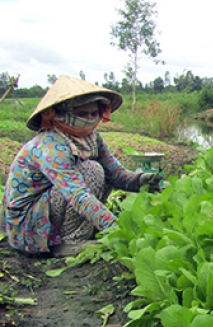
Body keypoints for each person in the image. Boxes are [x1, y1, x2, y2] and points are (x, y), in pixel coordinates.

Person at [0, 75, 162, 257]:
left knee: (101, 171)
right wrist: (117, 228)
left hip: (52, 206)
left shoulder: (91, 138)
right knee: (92, 170)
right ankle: (70, 241)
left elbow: (116, 174)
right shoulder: (50, 144)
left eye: (94, 114)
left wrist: (141, 180)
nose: (90, 119)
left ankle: (78, 232)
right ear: (62, 114)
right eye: (82, 114)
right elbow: (77, 194)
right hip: (28, 224)